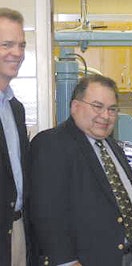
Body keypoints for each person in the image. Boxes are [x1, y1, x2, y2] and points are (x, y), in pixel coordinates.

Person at [29, 74, 132, 266]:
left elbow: (124, 197)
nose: (105, 116)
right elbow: (46, 211)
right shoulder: (52, 144)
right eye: (97, 106)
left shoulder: (110, 146)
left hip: (129, 257)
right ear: (75, 107)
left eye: (112, 109)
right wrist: (66, 261)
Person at [0, 7, 30, 266]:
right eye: (7, 44)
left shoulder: (14, 108)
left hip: (16, 229)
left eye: (21, 45)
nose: (17, 53)